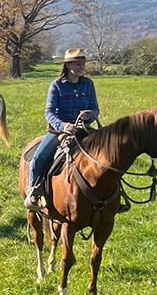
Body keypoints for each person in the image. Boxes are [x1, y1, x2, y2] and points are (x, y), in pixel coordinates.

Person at [24, 47, 100, 212]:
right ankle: (34, 192)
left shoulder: (88, 84)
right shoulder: (57, 85)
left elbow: (95, 107)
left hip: (83, 128)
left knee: (107, 155)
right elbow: (49, 112)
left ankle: (113, 196)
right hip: (59, 131)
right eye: (78, 64)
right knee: (38, 158)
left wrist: (90, 116)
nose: (82, 67)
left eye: (83, 64)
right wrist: (63, 126)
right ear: (68, 65)